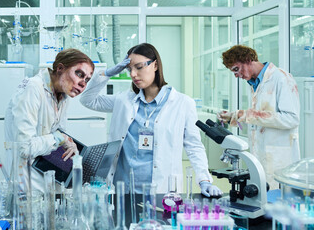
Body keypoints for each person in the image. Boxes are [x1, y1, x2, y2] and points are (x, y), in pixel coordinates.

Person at [80, 43, 222, 196]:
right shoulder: (123, 100)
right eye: (129, 69)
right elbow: (87, 100)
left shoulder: (182, 103)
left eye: (139, 67)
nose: (133, 74)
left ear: (155, 65)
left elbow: (194, 146)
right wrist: (106, 73)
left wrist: (204, 180)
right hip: (122, 189)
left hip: (162, 190)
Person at [4, 48, 94, 192]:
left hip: (45, 175)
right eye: (79, 74)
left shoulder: (63, 95)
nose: (83, 83)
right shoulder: (33, 87)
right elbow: (24, 147)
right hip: (25, 182)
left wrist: (68, 143)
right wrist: (60, 138)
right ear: (60, 68)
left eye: (87, 79)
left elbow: (57, 132)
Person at [218, 45, 300, 189]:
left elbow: (291, 119)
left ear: (248, 60)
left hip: (279, 157)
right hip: (261, 156)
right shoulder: (255, 84)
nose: (236, 75)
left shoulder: (281, 78)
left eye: (236, 69)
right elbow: (260, 120)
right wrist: (234, 117)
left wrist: (246, 115)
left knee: (277, 202)